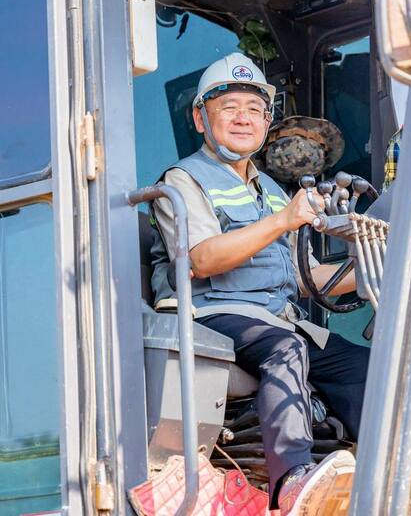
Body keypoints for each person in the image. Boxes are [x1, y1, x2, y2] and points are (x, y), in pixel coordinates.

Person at [150, 53, 369, 515]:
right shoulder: (183, 180)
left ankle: (377, 475)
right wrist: (284, 219)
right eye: (228, 107)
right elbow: (201, 259)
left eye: (254, 109)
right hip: (213, 314)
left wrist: (373, 269)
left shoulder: (270, 190)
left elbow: (305, 277)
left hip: (278, 318)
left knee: (362, 364)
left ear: (267, 123)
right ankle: (292, 481)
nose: (243, 118)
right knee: (284, 349)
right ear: (201, 119)